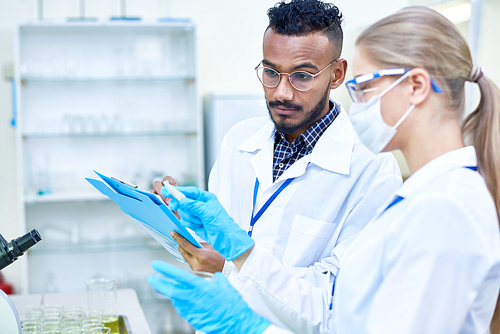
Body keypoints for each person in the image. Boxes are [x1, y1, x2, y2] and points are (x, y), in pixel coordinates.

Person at [148, 5, 500, 334]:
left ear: (417, 87)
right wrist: (222, 249)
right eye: (271, 72)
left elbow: (334, 309)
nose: (358, 104)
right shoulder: (427, 197)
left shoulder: (444, 209)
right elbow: (345, 313)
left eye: (363, 89)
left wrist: (250, 326)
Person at [153, 0, 401, 329]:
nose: (281, 92)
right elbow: (212, 245)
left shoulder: (373, 171)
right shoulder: (239, 140)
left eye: (302, 75)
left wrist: (227, 268)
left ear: (337, 74)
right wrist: (180, 222)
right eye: (271, 72)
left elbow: (338, 303)